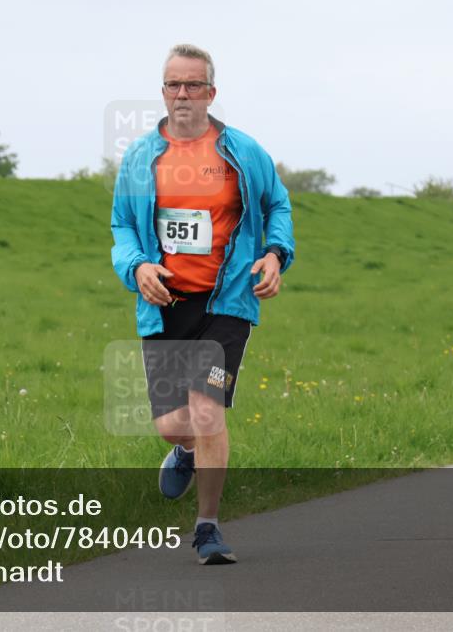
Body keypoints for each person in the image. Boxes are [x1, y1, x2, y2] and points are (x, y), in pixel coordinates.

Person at [110, 44, 295, 564]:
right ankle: (183, 449)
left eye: (193, 85)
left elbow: (276, 204)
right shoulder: (143, 157)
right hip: (165, 302)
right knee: (173, 423)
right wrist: (138, 267)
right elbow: (122, 226)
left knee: (208, 411)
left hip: (227, 302)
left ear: (211, 92)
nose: (183, 94)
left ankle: (208, 528)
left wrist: (277, 253)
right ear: (163, 91)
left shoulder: (242, 151)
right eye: (174, 84)